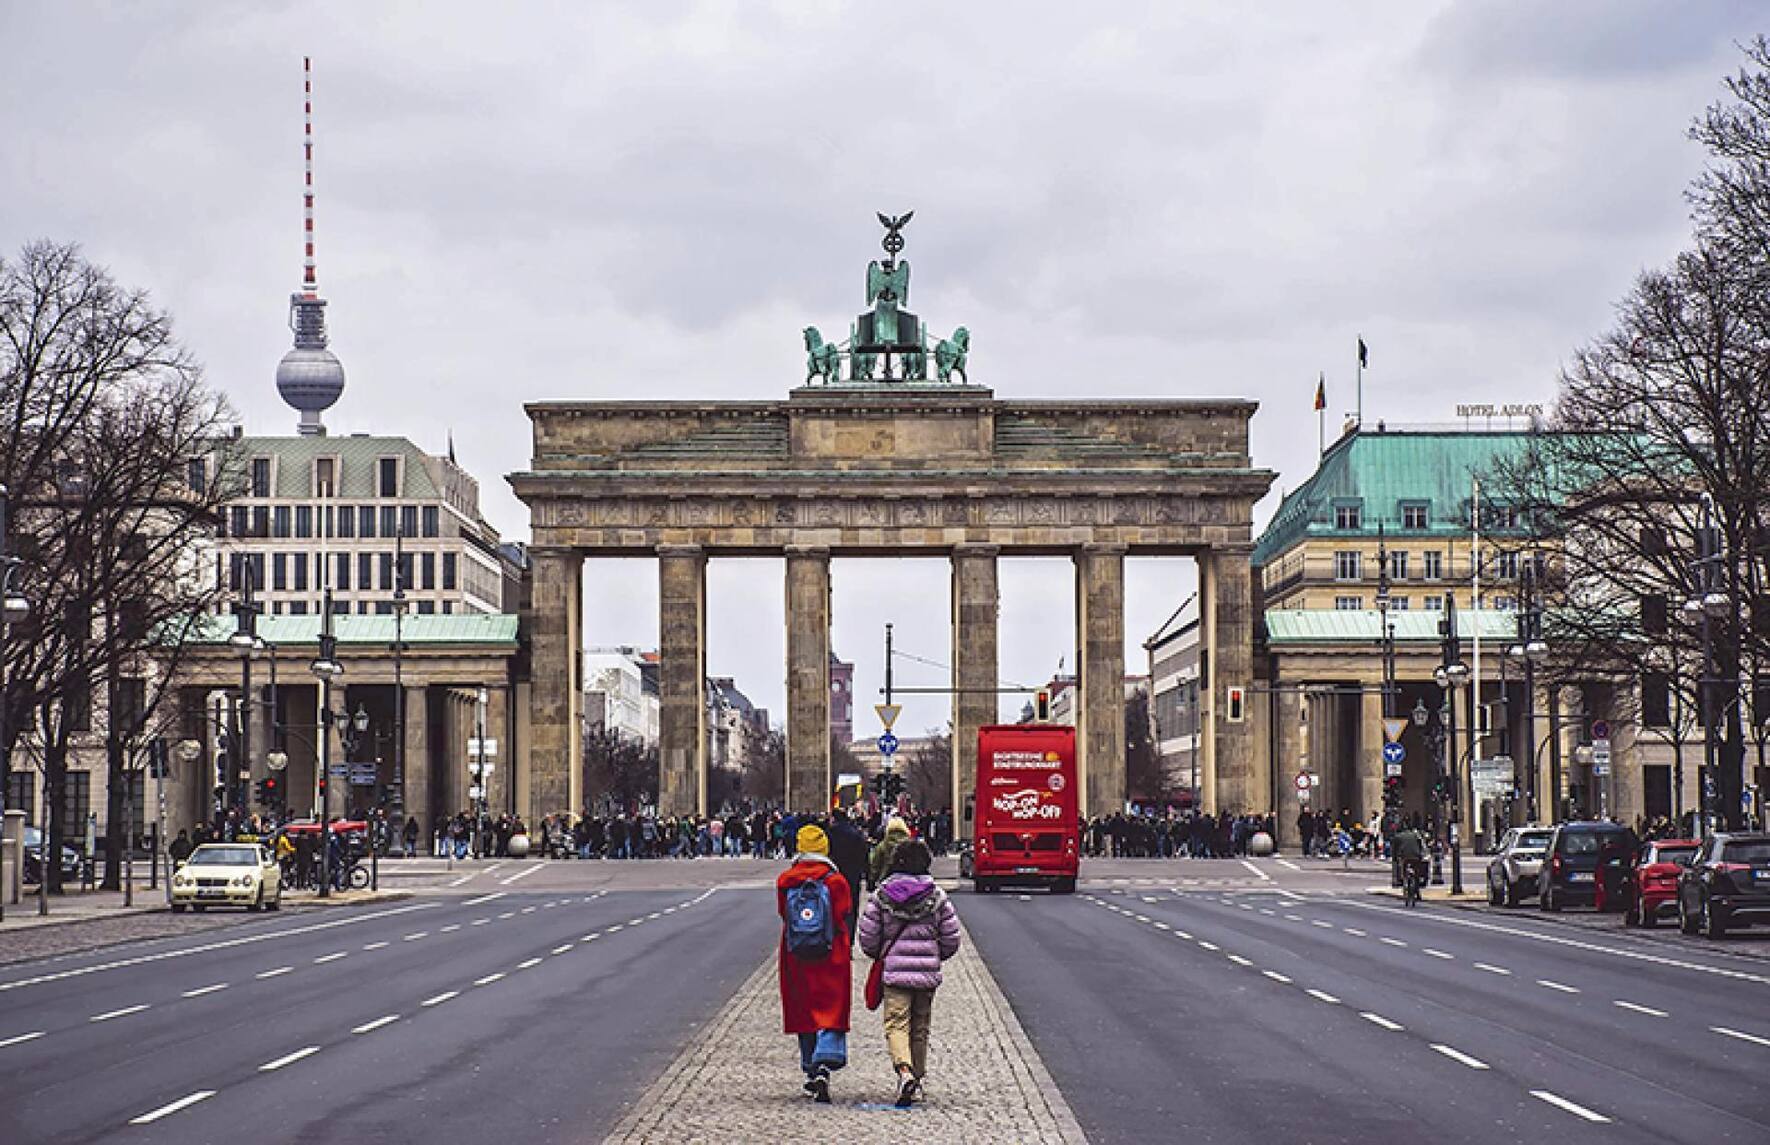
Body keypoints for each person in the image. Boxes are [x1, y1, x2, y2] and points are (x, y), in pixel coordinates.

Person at [857, 839, 960, 1107]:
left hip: (895, 972)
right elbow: (951, 938)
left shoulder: (882, 896)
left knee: (896, 1023)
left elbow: (868, 937)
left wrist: (880, 954)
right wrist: (934, 956)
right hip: (926, 973)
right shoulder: (937, 897)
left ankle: (904, 1072)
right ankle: (917, 1076)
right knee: (920, 1026)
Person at [776, 823, 852, 1103]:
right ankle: (825, 1058)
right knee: (831, 1006)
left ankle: (810, 1067)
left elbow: (784, 914)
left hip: (796, 952)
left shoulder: (786, 881)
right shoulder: (836, 881)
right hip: (831, 952)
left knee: (804, 1008)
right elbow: (844, 911)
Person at [826, 808, 871, 943]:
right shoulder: (856, 833)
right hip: (852, 874)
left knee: (832, 905)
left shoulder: (829, 833)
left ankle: (834, 936)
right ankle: (848, 938)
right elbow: (864, 854)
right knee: (851, 907)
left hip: (833, 873)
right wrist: (867, 874)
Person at [869, 817, 911, 888]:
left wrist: (872, 881)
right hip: (907, 882)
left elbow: (875, 866)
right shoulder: (911, 845)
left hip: (886, 882)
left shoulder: (882, 845)